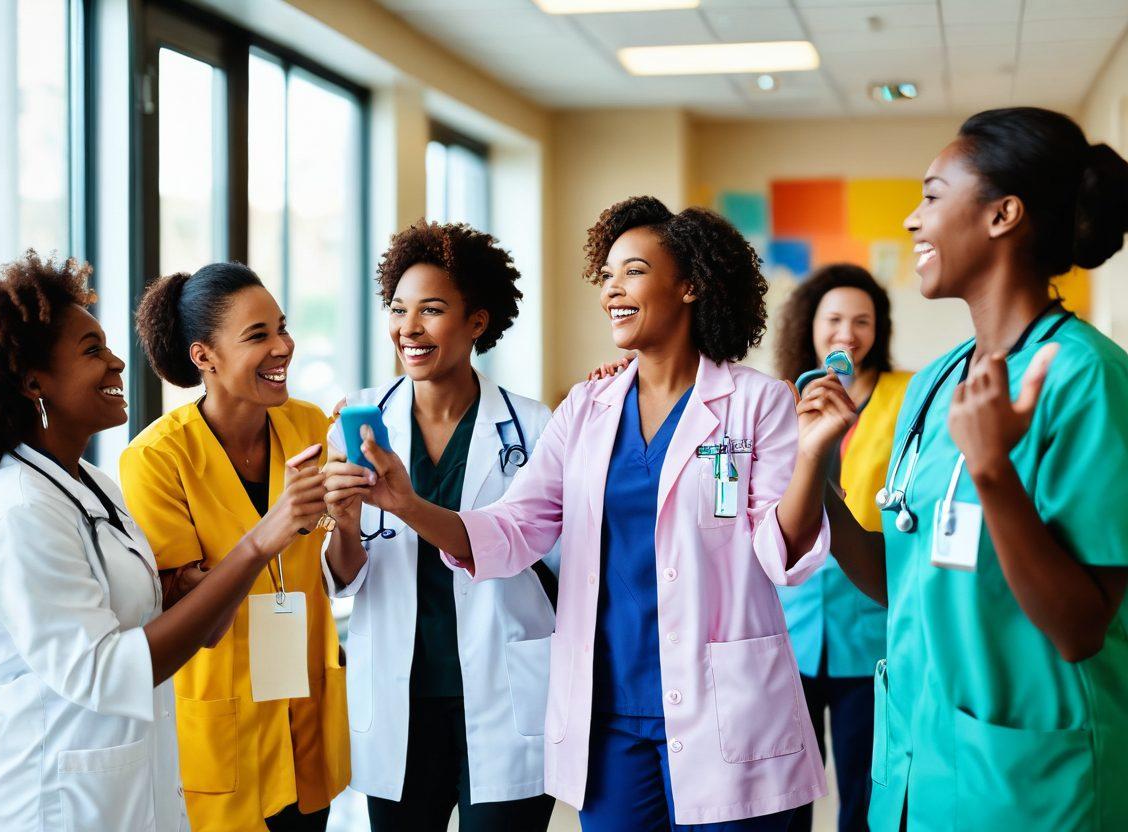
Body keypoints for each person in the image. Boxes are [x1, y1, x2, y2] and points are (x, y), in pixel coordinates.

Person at [328, 196, 859, 830]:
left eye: (632, 271)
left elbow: (781, 550)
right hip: (608, 720)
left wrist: (814, 456)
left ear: (690, 284)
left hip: (727, 712)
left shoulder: (756, 402)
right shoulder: (586, 407)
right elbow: (513, 528)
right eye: (606, 274)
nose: (612, 288)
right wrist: (409, 505)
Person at [802, 107, 1128, 830]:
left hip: (1026, 785)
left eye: (932, 195)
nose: (914, 222)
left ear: (1002, 215)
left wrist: (994, 476)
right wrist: (820, 477)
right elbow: (901, 576)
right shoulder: (935, 383)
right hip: (915, 773)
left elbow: (1080, 628)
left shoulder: (1086, 380)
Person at [0, 252, 327, 831]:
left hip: (127, 787)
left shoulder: (93, 487)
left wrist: (178, 589)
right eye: (92, 351)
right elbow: (109, 671)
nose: (116, 363)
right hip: (52, 797)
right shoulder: (21, 512)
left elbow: (140, 618)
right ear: (34, 381)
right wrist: (262, 541)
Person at [322, 220, 557, 831]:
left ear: (477, 322)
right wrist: (343, 524)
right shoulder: (356, 424)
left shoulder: (534, 428)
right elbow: (343, 577)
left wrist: (405, 505)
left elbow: (563, 565)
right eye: (399, 310)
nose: (409, 328)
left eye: (431, 310)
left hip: (507, 690)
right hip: (401, 698)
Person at [120, 262, 349, 832]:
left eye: (282, 328)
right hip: (224, 729)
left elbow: (336, 571)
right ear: (205, 357)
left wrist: (347, 520)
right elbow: (186, 613)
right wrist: (272, 530)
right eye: (258, 336)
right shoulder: (157, 460)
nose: (283, 347)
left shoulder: (311, 426)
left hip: (304, 715)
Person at [772, 265, 910, 832]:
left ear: (879, 329)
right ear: (811, 325)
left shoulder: (909, 395)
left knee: (863, 784)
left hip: (869, 623)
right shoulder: (781, 397)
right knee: (787, 787)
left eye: (862, 321)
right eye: (834, 319)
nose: (846, 334)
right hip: (791, 622)